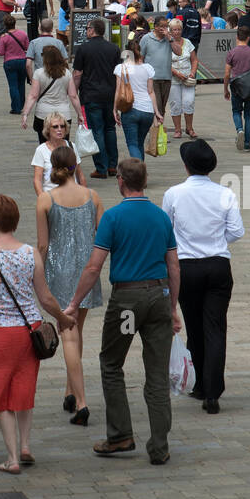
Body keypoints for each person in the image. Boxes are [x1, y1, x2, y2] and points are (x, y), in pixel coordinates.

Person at [63, 157, 181, 464]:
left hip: (127, 303)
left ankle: (121, 435)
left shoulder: (113, 218)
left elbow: (94, 267)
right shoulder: (160, 217)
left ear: (120, 182)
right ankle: (159, 446)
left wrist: (74, 303)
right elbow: (173, 265)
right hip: (157, 297)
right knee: (156, 373)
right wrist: (173, 307)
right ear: (144, 181)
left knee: (112, 363)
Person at [0, 194, 74, 473]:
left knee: (1, 394)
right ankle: (26, 445)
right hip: (29, 330)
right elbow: (45, 298)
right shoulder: (31, 253)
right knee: (23, 388)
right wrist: (63, 318)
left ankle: (12, 459)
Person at [162, 140, 244, 414]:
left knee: (194, 325)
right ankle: (212, 390)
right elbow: (236, 231)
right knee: (215, 327)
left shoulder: (174, 194)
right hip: (218, 264)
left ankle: (199, 385)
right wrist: (216, 240)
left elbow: (166, 232)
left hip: (187, 267)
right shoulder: (225, 194)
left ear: (186, 165)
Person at [36, 146, 104, 425]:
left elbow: (42, 244)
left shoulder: (45, 199)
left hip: (59, 272)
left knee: (69, 334)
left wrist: (35, 273)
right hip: (87, 271)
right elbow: (102, 235)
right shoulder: (93, 196)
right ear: (76, 165)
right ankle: (69, 391)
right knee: (76, 333)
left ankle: (82, 402)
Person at [73, 17, 120, 179]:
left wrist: (74, 92)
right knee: (110, 129)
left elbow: (77, 74)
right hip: (110, 94)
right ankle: (113, 165)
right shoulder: (113, 48)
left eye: (87, 28)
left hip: (91, 95)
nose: (86, 31)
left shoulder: (83, 49)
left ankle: (101, 167)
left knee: (97, 131)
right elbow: (117, 73)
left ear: (92, 30)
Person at [114, 36, 161, 159]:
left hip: (130, 109)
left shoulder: (121, 68)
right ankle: (141, 173)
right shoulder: (148, 68)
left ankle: (138, 171)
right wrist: (156, 112)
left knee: (132, 144)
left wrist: (115, 110)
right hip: (147, 111)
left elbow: (118, 90)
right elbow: (151, 92)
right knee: (139, 143)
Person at [22, 45, 80, 142]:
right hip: (63, 115)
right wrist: (80, 114)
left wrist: (25, 114)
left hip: (43, 114)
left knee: (44, 145)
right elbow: (73, 96)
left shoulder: (39, 73)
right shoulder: (66, 73)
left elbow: (33, 96)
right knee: (62, 145)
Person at [223, 24, 250, 152]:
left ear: (237, 36)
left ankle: (239, 130)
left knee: (236, 111)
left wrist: (225, 89)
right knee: (249, 115)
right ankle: (247, 143)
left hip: (236, 87)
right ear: (248, 38)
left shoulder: (231, 53)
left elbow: (227, 73)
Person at [32, 112, 86, 194]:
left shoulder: (71, 146)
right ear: (48, 129)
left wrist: (85, 196)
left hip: (72, 194)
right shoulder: (41, 150)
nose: (59, 129)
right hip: (51, 195)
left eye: (62, 126)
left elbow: (80, 174)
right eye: (55, 127)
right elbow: (37, 180)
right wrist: (42, 198)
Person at [168, 17, 198, 139]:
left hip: (187, 79)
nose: (177, 32)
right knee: (175, 103)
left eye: (179, 29)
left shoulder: (188, 42)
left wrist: (192, 72)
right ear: (170, 31)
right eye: (174, 30)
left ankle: (189, 128)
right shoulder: (167, 44)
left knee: (189, 102)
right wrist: (175, 73)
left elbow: (194, 60)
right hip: (174, 78)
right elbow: (164, 62)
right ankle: (177, 129)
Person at [138, 15, 173, 121]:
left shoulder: (169, 39)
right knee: (155, 106)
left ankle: (158, 131)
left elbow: (178, 52)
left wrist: (170, 38)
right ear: (156, 27)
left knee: (162, 107)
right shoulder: (146, 38)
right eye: (162, 26)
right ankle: (155, 132)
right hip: (152, 79)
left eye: (166, 26)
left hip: (166, 77)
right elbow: (140, 58)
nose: (165, 29)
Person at [0, 15, 29, 115]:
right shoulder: (23, 34)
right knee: (21, 84)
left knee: (13, 85)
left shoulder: (4, 37)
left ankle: (16, 108)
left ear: (5, 25)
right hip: (22, 61)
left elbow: (1, 52)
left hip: (9, 62)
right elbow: (27, 47)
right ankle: (21, 105)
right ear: (14, 23)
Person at [25, 17, 68, 82]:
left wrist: (32, 79)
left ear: (40, 28)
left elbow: (28, 64)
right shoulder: (59, 43)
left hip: (39, 77)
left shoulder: (33, 43)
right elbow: (65, 62)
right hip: (56, 77)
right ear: (51, 29)